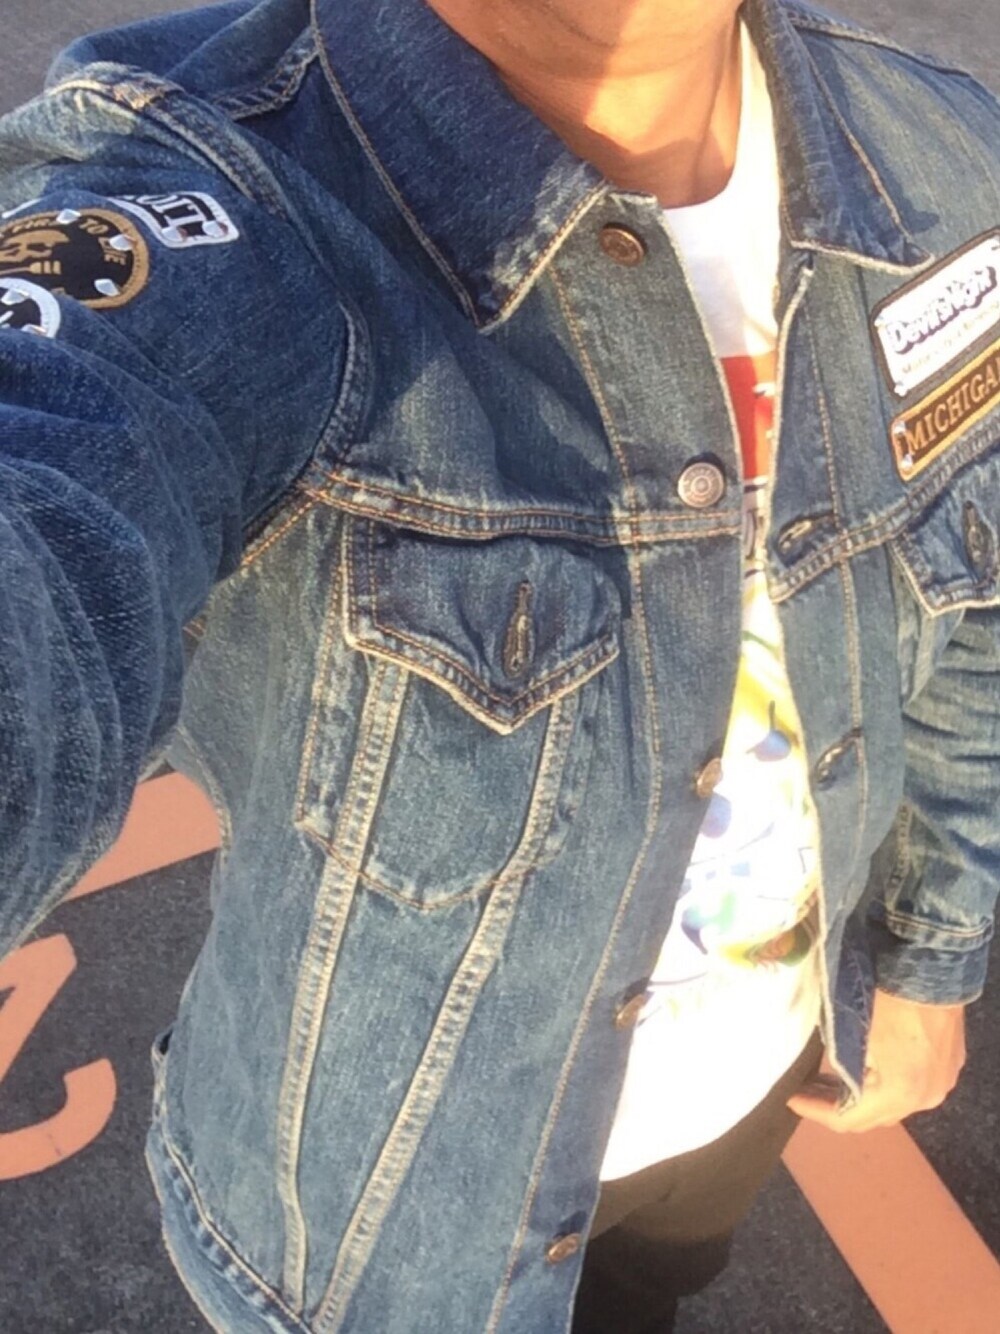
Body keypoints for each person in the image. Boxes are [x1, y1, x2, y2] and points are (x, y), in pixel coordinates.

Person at [0, 0, 995, 1328]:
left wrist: (929, 954)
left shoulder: (944, 165)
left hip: (747, 1092)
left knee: (653, 1290)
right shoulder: (228, 203)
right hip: (399, 1227)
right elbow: (60, 459)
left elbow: (974, 602)